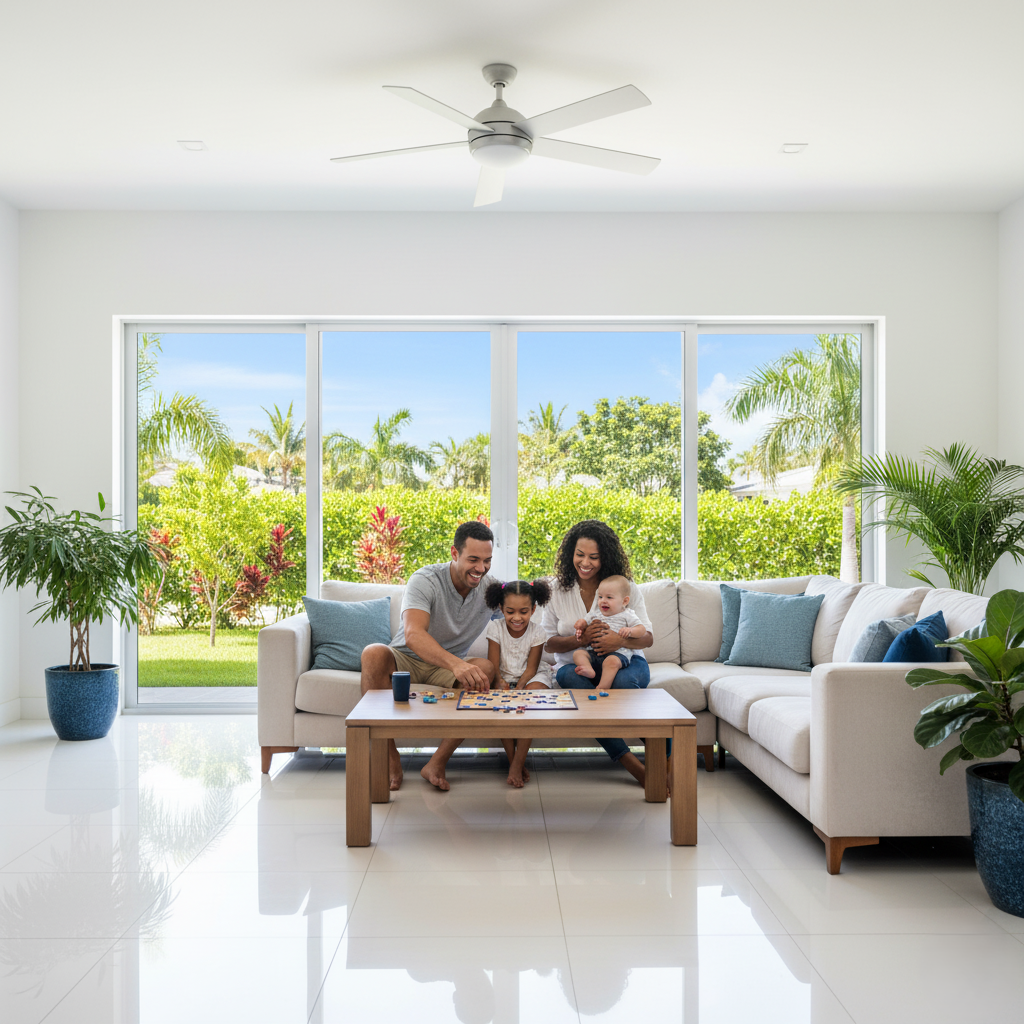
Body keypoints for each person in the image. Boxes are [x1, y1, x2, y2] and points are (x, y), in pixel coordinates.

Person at [359, 520, 497, 792]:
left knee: (485, 669)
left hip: (445, 668)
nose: (481, 568)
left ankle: (436, 763)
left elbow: (521, 617)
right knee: (373, 653)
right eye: (473, 560)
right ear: (454, 553)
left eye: (487, 560)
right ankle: (389, 757)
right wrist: (456, 665)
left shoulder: (491, 589)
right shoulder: (426, 579)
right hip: (406, 658)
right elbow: (413, 634)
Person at [541, 520, 654, 786]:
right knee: (569, 678)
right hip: (579, 666)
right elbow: (548, 643)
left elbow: (648, 638)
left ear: (606, 557)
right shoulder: (556, 589)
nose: (585, 563)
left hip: (626, 662)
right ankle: (631, 763)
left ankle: (666, 759)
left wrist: (617, 641)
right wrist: (580, 639)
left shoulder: (625, 587)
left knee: (623, 683)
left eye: (594, 557)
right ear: (570, 554)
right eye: (580, 554)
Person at [483, 579, 553, 788]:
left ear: (533, 609)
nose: (516, 618)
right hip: (502, 675)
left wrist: (519, 689)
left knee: (529, 700)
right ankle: (514, 761)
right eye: (510, 611)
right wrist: (501, 683)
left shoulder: (537, 631)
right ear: (501, 608)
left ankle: (517, 763)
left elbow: (531, 669)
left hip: (531, 677)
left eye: (523, 612)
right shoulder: (495, 628)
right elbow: (493, 665)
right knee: (501, 703)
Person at [571, 574, 646, 686]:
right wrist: (581, 625)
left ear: (624, 601)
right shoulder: (595, 613)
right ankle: (588, 669)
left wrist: (630, 631)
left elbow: (642, 629)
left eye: (609, 597)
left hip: (617, 654)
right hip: (595, 653)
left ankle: (603, 686)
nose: (603, 601)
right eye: (600, 597)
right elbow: (585, 621)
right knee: (578, 653)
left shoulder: (627, 614)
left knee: (611, 662)